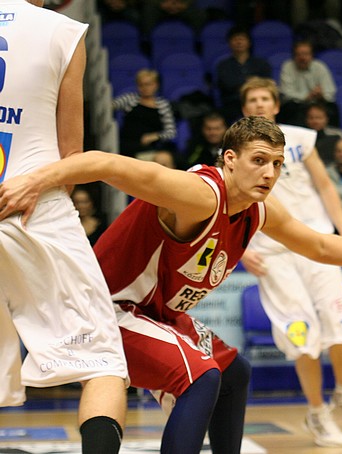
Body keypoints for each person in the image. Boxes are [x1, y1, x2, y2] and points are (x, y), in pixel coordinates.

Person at [0, 116, 342, 453]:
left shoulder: (258, 209)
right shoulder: (199, 194)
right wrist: (34, 181)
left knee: (233, 372)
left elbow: (320, 246)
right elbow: (104, 163)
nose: (270, 173)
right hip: (108, 306)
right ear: (230, 160)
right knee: (201, 376)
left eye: (276, 163)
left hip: (156, 313)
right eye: (259, 161)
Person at [0, 2, 129, 453]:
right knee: (102, 363)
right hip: (35, 206)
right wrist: (41, 184)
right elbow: (72, 154)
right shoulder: (63, 30)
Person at [238, 77, 342, 447]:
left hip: (316, 242)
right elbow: (231, 203)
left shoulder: (299, 138)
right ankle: (317, 412)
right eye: (253, 99)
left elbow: (326, 187)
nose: (259, 104)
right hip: (272, 253)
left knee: (340, 319)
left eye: (265, 98)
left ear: (276, 105)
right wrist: (241, 249)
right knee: (301, 335)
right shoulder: (234, 149)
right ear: (245, 108)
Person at [112, 68, 177, 159]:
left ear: (156, 85)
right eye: (141, 85)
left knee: (164, 157)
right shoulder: (130, 99)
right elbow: (111, 106)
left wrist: (154, 136)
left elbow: (171, 132)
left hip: (151, 148)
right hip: (127, 147)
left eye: (148, 84)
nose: (144, 88)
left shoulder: (163, 105)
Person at [215, 26, 272, 124]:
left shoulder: (262, 63)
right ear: (229, 43)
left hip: (256, 101)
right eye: (235, 39)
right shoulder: (223, 65)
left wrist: (240, 83)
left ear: (249, 42)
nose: (239, 42)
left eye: (242, 39)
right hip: (232, 104)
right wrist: (251, 81)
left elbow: (267, 84)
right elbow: (227, 85)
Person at [278, 40, 338, 127]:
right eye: (299, 54)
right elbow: (286, 92)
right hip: (297, 104)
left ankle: (332, 132)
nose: (302, 58)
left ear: (312, 55)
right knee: (288, 107)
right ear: (294, 56)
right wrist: (306, 97)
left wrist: (321, 94)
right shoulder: (287, 66)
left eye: (306, 54)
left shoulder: (320, 66)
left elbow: (330, 90)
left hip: (318, 101)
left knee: (333, 107)